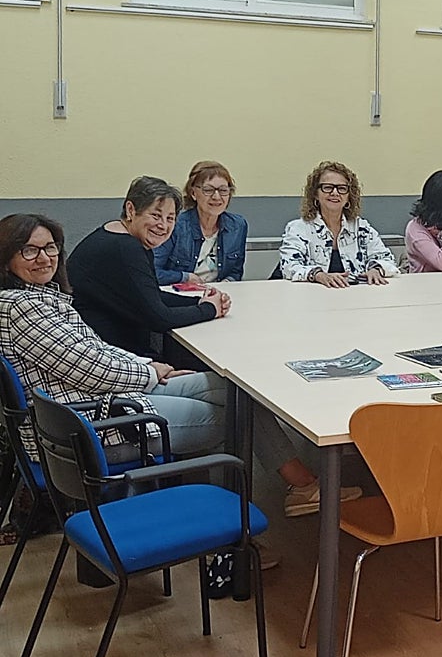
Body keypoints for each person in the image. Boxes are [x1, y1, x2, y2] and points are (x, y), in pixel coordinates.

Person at [0, 214, 360, 519]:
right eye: (29, 250)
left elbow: (93, 350)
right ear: (6, 259)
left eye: (49, 248)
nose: (44, 258)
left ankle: (299, 486)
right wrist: (151, 372)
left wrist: (151, 364)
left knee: (234, 389)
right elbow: (90, 367)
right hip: (98, 422)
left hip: (105, 399)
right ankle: (250, 528)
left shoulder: (36, 298)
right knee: (240, 415)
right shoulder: (23, 308)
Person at [67, 176, 228, 364]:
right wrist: (209, 309)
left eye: (170, 219)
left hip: (110, 352)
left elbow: (150, 296)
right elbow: (159, 318)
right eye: (155, 216)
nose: (163, 226)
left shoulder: (118, 236)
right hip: (116, 360)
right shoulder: (125, 248)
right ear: (131, 210)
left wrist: (200, 300)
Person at [280, 160, 400, 287]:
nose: (335, 193)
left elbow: (387, 259)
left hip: (358, 297)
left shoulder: (362, 228)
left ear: (349, 196)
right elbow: (289, 266)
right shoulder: (298, 229)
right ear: (315, 194)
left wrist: (377, 269)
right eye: (327, 187)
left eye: (342, 188)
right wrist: (319, 275)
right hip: (312, 298)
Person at [154, 160, 248, 285]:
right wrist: (184, 277)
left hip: (218, 295)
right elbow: (153, 272)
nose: (216, 197)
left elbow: (235, 272)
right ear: (193, 193)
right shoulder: (176, 225)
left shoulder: (238, 226)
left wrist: (227, 284)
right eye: (208, 190)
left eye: (223, 190)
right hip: (179, 296)